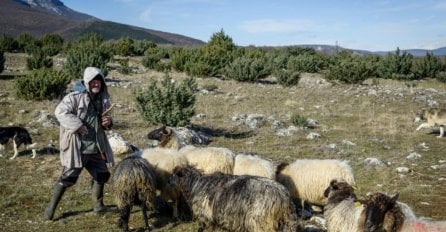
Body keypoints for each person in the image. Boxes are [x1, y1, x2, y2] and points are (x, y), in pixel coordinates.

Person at [44, 67, 115, 220]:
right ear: (87, 82)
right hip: (78, 148)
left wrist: (108, 122)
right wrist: (77, 125)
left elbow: (105, 121)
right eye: (93, 81)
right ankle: (50, 210)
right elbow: (60, 112)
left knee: (102, 174)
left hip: (96, 147)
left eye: (99, 80)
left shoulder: (103, 98)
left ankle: (98, 206)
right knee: (67, 178)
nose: (96, 83)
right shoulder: (74, 97)